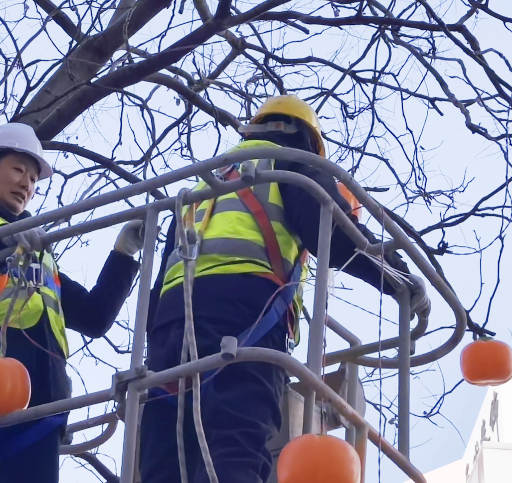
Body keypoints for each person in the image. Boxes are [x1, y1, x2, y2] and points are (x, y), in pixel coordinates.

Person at [138, 95, 431, 483]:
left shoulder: (202, 185)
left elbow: (157, 290)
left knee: (166, 456)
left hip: (170, 327)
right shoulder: (292, 164)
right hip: (245, 314)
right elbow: (335, 235)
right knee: (234, 441)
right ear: (305, 139)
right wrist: (399, 280)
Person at [0, 123, 144, 483]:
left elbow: (95, 318)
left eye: (34, 178)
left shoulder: (37, 255)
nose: (27, 184)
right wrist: (5, 243)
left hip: (40, 396)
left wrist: (124, 255)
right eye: (18, 170)